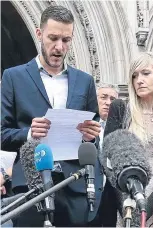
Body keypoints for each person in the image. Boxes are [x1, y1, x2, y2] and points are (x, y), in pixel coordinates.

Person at [1, 5, 103, 227]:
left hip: (74, 187)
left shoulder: (84, 81)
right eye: (53, 38)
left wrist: (90, 136)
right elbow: (2, 134)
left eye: (66, 40)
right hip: (30, 187)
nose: (59, 47)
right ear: (39, 34)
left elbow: (93, 130)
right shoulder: (13, 77)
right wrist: (28, 134)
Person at [103, 52, 153, 227]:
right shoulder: (121, 109)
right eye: (134, 75)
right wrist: (126, 206)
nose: (139, 80)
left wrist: (149, 205)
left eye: (146, 73)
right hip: (122, 196)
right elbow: (107, 160)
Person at [96, 83, 119, 149]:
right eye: (103, 98)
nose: (108, 103)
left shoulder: (123, 126)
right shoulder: (87, 125)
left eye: (112, 99)